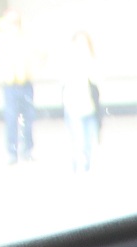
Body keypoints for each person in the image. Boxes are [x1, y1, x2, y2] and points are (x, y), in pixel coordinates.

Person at [0, 10, 37, 165]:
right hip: (10, 85)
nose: (14, 25)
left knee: (28, 118)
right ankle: (12, 152)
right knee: (11, 119)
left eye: (16, 21)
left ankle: (27, 150)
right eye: (11, 22)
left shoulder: (26, 37)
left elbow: (41, 52)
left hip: (26, 83)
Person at [59, 32, 102, 174]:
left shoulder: (91, 61)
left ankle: (87, 165)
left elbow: (96, 79)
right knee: (79, 140)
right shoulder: (69, 62)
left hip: (90, 107)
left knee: (90, 140)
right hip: (74, 107)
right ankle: (78, 166)